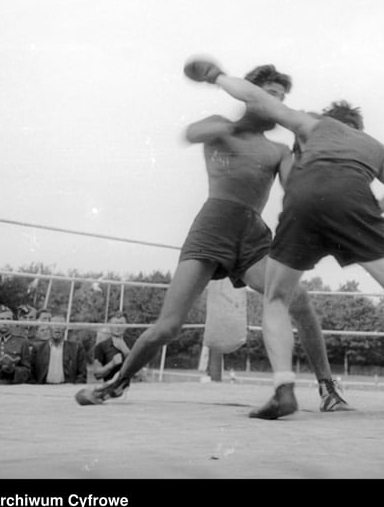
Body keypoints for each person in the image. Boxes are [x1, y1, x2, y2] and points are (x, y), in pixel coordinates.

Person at [182, 58, 384, 426]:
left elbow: (257, 99)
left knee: (277, 297)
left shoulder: (315, 124)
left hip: (305, 197)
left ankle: (283, 387)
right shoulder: (375, 146)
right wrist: (373, 209)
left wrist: (217, 76)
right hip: (355, 199)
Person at [75, 64, 350, 412]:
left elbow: (297, 190)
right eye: (269, 95)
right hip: (212, 228)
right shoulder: (222, 128)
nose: (276, 104)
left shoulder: (279, 151)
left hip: (251, 236)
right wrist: (241, 119)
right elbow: (191, 133)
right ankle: (117, 384)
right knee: (168, 326)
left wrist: (316, 155)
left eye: (281, 99)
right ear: (249, 94)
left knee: (299, 300)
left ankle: (328, 389)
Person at [30, 316, 88, 384]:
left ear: (65, 328)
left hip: (67, 388)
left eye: (61, 324)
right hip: (43, 388)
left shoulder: (76, 348)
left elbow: (82, 374)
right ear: (49, 327)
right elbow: (31, 372)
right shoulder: (38, 348)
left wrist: (73, 388)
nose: (57, 327)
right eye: (54, 324)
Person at [90, 312, 133, 383]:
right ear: (109, 325)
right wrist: (112, 364)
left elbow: (139, 373)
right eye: (115, 323)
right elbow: (97, 375)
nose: (118, 327)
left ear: (127, 325)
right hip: (110, 389)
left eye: (121, 324)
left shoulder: (135, 343)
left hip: (134, 389)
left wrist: (126, 351)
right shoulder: (101, 346)